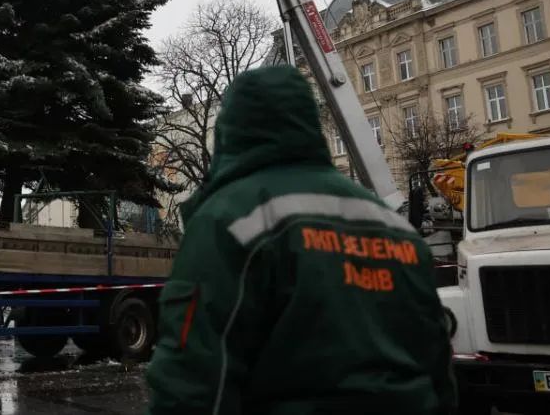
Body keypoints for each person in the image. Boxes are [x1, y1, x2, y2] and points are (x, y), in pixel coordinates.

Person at [146, 65, 455, 415]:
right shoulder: (397, 230)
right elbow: (438, 367)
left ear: (232, 130)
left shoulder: (231, 221)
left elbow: (194, 380)